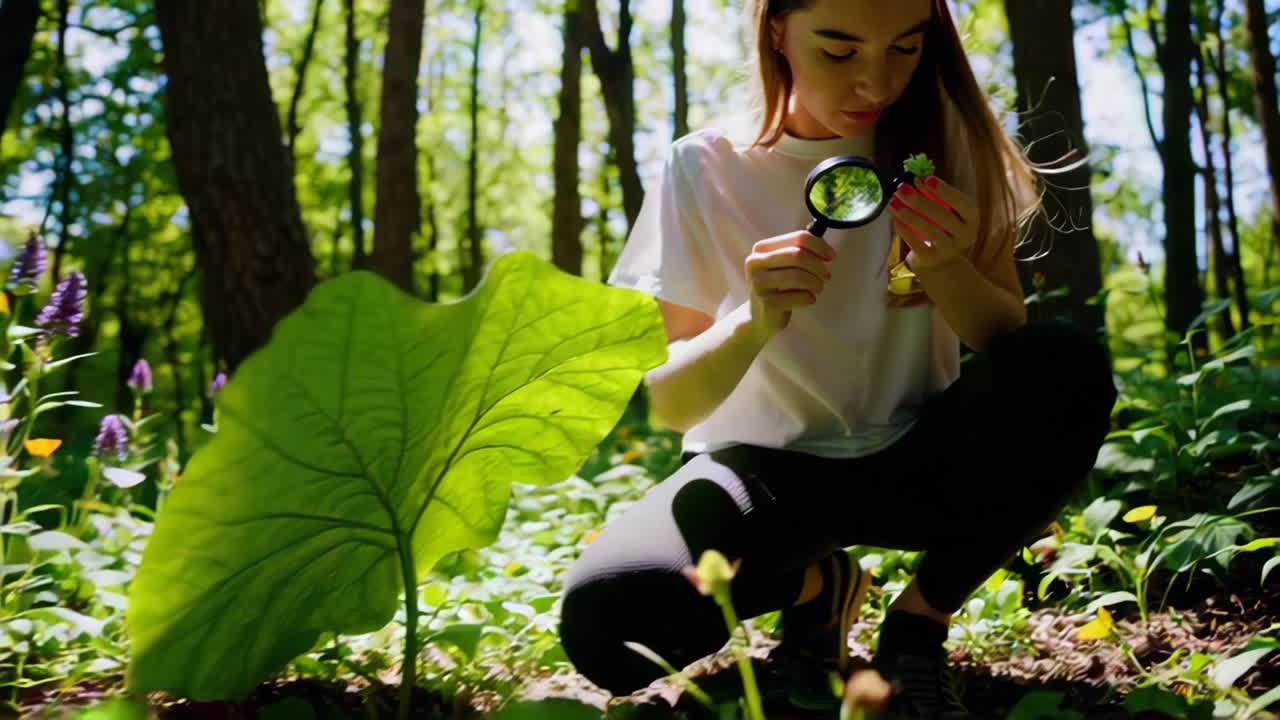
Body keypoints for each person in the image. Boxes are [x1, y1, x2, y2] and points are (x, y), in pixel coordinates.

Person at [557, 0, 1118, 717]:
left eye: (905, 50)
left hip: (921, 452)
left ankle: (919, 625)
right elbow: (671, 402)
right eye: (840, 51)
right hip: (764, 473)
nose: (876, 85)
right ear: (776, 33)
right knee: (609, 620)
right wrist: (752, 322)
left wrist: (946, 265)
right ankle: (819, 589)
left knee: (1066, 365)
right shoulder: (704, 166)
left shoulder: (948, 146)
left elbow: (1006, 337)